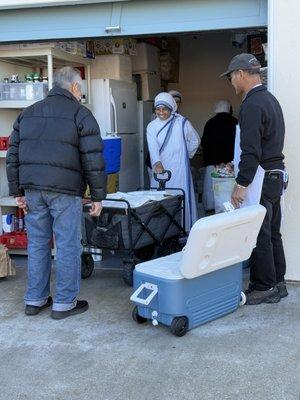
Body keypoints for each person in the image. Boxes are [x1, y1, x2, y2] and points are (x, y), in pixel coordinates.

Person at [6, 67, 107, 319]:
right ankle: (64, 303)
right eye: (80, 89)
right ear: (73, 87)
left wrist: (17, 191)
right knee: (67, 245)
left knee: (38, 244)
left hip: (33, 191)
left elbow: (13, 155)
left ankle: (35, 300)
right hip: (65, 191)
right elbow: (93, 159)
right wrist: (98, 197)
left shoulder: (27, 114)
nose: (81, 93)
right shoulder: (81, 114)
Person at [220, 53, 287, 305]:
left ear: (240, 74)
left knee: (258, 232)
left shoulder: (251, 104)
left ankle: (264, 286)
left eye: (231, 78)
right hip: (276, 175)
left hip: (260, 176)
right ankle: (278, 282)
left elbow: (251, 151)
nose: (231, 83)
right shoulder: (270, 100)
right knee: (272, 232)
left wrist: (241, 183)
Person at [146, 92, 200, 231]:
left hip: (180, 168)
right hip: (160, 170)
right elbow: (153, 147)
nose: (161, 112)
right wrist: (157, 163)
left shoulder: (182, 123)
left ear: (172, 109)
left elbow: (195, 140)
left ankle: (183, 229)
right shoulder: (151, 126)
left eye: (165, 109)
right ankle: (162, 232)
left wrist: (184, 154)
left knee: (180, 196)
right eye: (158, 109)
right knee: (160, 200)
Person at [201, 100, 238, 211]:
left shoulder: (210, 123)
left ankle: (210, 207)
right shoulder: (235, 122)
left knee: (210, 186)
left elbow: (204, 143)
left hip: (213, 161)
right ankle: (229, 207)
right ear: (228, 109)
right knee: (229, 187)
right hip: (230, 162)